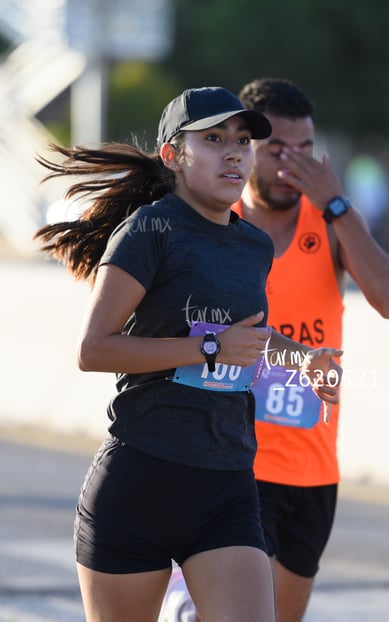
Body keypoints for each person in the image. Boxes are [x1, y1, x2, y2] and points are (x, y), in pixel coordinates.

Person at [33, 86, 342, 622]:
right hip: (140, 481)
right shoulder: (149, 232)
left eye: (242, 141)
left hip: (227, 483)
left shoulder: (253, 247)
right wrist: (207, 348)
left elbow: (249, 337)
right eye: (214, 139)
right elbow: (94, 349)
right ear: (173, 155)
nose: (234, 153)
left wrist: (305, 360)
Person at [231, 77, 389, 622]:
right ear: (245, 147)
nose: (291, 165)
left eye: (304, 151)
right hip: (233, 462)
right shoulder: (220, 222)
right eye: (276, 149)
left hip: (311, 472)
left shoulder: (328, 225)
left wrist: (335, 203)